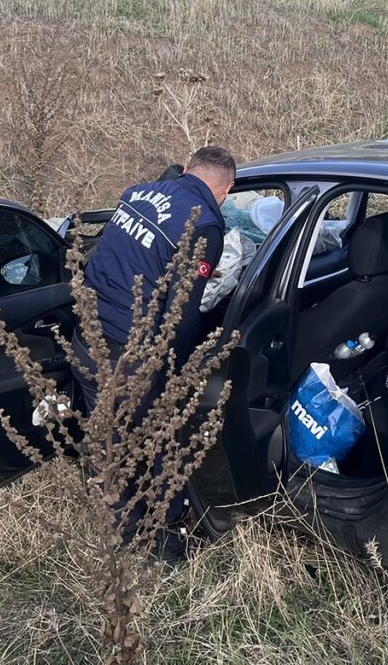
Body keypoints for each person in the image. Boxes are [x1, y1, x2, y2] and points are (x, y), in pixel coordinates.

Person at [70, 145, 235, 552]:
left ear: (186, 167)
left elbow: (123, 255)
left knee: (108, 437)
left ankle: (119, 529)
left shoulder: (138, 192)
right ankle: (165, 541)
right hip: (130, 350)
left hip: (87, 334)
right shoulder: (204, 225)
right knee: (155, 442)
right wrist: (180, 369)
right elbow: (182, 308)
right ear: (227, 189)